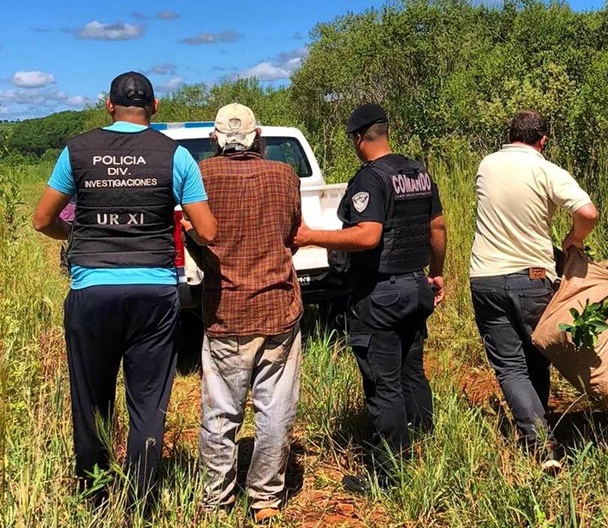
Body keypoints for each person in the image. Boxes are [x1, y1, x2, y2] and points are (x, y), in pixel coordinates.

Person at [31, 71, 217, 508]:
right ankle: (142, 501)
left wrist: (74, 235)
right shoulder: (175, 156)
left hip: (92, 289)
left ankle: (96, 495)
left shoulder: (77, 150)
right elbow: (206, 231)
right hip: (153, 293)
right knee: (148, 402)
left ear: (109, 106)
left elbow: (42, 220)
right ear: (154, 107)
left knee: (93, 398)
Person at [293, 103, 446, 492]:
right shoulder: (418, 173)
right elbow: (438, 226)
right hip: (416, 286)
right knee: (412, 372)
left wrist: (311, 236)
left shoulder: (370, 179)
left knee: (384, 384)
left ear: (360, 139)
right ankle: (423, 449)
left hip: (381, 294)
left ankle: (389, 476)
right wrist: (436, 272)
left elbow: (367, 236)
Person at [186, 103, 303, 523]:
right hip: (278, 306)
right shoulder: (285, 175)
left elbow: (196, 236)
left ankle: (217, 499)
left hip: (226, 310)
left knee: (221, 410)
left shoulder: (201, 175)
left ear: (215, 139)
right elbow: (292, 234)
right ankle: (265, 498)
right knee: (275, 408)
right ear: (258, 138)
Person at [469, 110, 598, 471]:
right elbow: (588, 212)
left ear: (509, 134)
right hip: (533, 277)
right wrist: (573, 239)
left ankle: (538, 440)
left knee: (511, 367)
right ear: (542, 141)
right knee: (536, 356)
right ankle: (544, 440)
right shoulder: (546, 170)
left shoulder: (486, 165)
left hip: (486, 278)